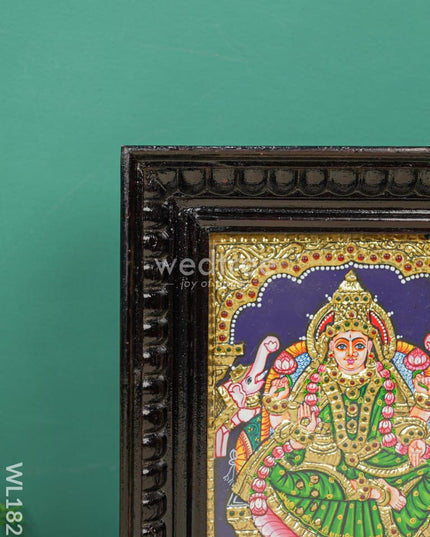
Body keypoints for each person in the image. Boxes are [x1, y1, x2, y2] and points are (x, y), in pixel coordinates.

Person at [232, 270, 430, 537]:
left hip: (381, 462)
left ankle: (377, 493)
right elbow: (293, 432)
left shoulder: (384, 380)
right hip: (329, 469)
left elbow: (396, 423)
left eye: (358, 346)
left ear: (371, 347)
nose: (350, 354)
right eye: (341, 346)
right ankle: (375, 493)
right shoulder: (317, 381)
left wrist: (414, 440)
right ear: (329, 347)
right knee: (276, 474)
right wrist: (298, 426)